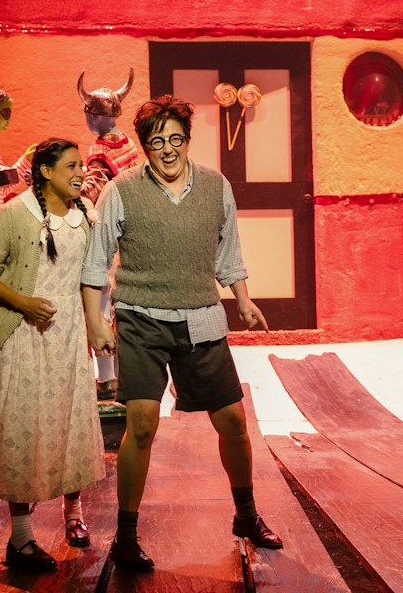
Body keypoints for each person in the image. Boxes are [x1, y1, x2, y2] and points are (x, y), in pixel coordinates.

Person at [82, 95, 281, 572]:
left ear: (188, 140)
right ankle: (126, 537)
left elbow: (228, 250)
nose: (167, 149)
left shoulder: (216, 187)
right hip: (140, 317)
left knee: (233, 421)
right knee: (143, 423)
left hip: (201, 316)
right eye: (156, 142)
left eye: (175, 139)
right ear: (145, 146)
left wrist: (244, 300)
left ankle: (246, 514)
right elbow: (95, 262)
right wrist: (95, 322)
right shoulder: (122, 190)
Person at [0, 138, 105, 572]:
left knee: (69, 424)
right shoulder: (13, 215)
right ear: (45, 171)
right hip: (23, 339)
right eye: (70, 166)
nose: (80, 173)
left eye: (81, 165)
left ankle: (74, 516)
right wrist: (23, 303)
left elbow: (89, 277)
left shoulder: (85, 215)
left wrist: (94, 324)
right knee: (24, 429)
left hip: (67, 338)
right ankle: (21, 539)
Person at [77, 69, 141, 401]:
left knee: (97, 301)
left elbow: (91, 190)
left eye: (89, 113)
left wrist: (68, 194)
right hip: (129, 229)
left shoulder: (100, 151)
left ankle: (106, 379)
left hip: (103, 230)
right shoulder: (128, 143)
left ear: (96, 116)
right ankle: (114, 375)